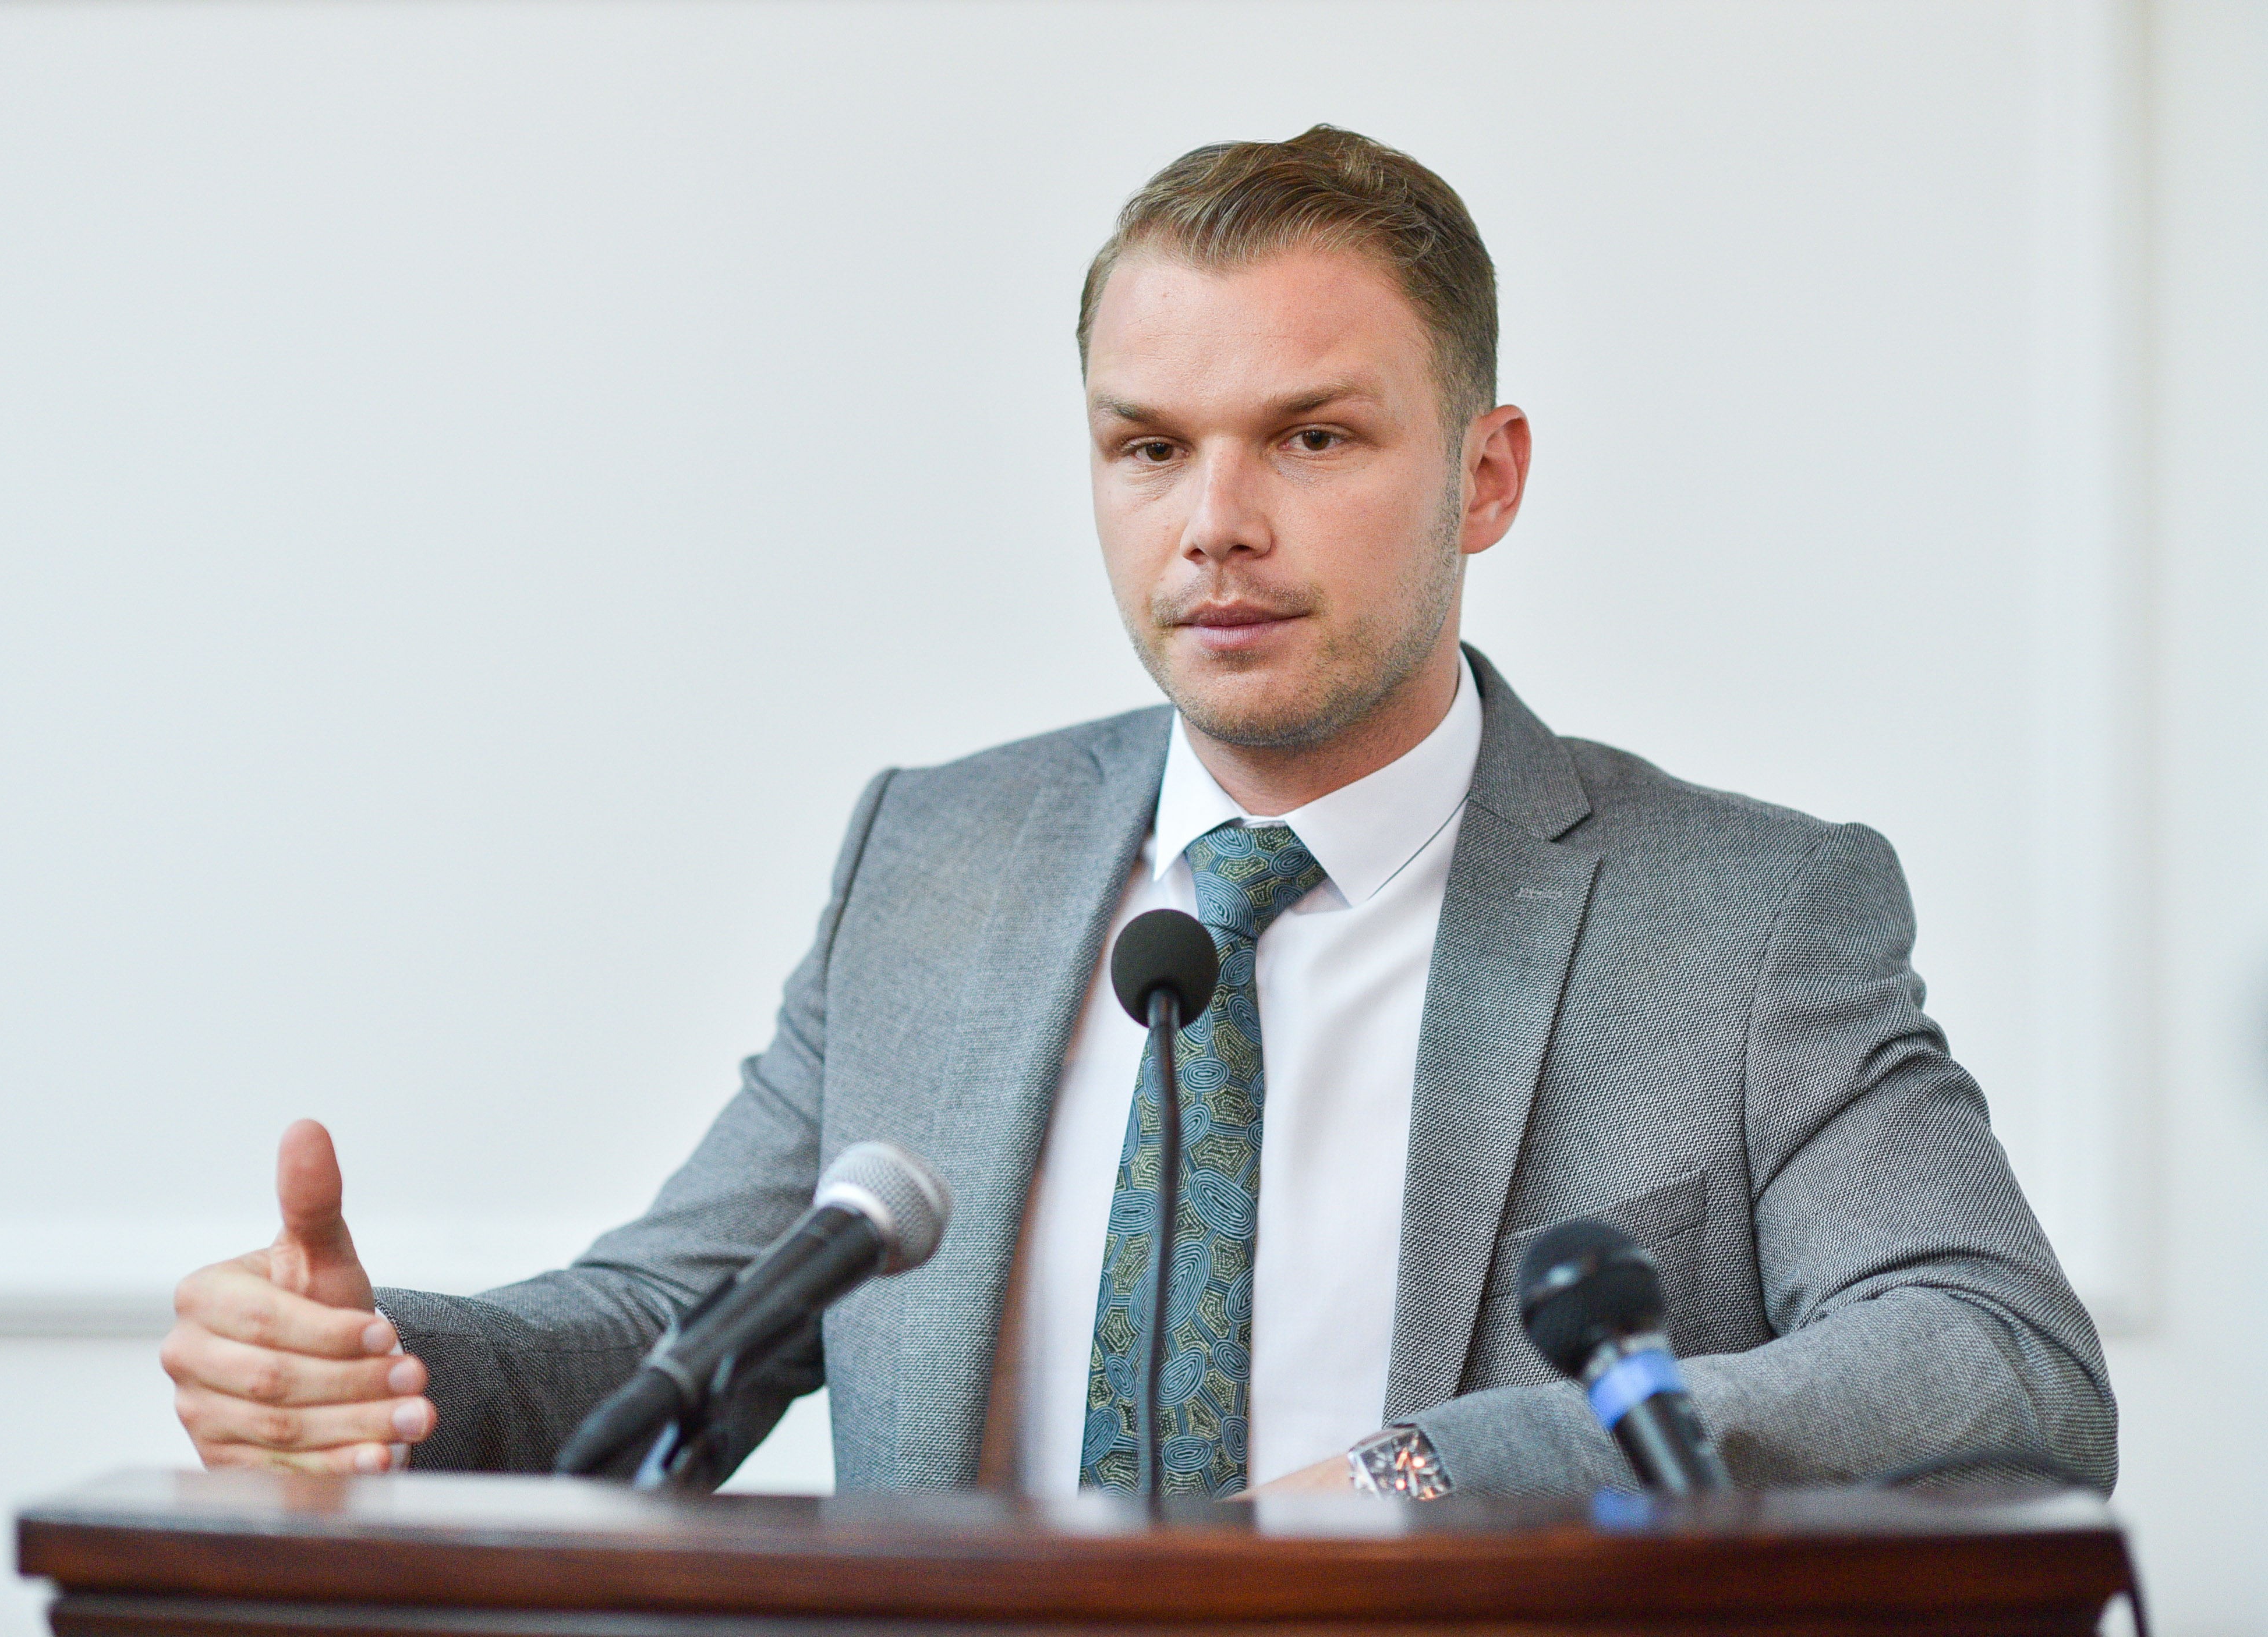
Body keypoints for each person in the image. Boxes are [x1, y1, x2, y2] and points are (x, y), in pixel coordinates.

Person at [159, 127, 2115, 1499]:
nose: (1215, 524)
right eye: (1148, 446)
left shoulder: (1748, 915)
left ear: (1486, 475)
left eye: (1313, 437)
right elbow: (677, 1317)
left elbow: (1994, 1353)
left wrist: (1433, 1473)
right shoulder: (934, 862)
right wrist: (372, 1364)